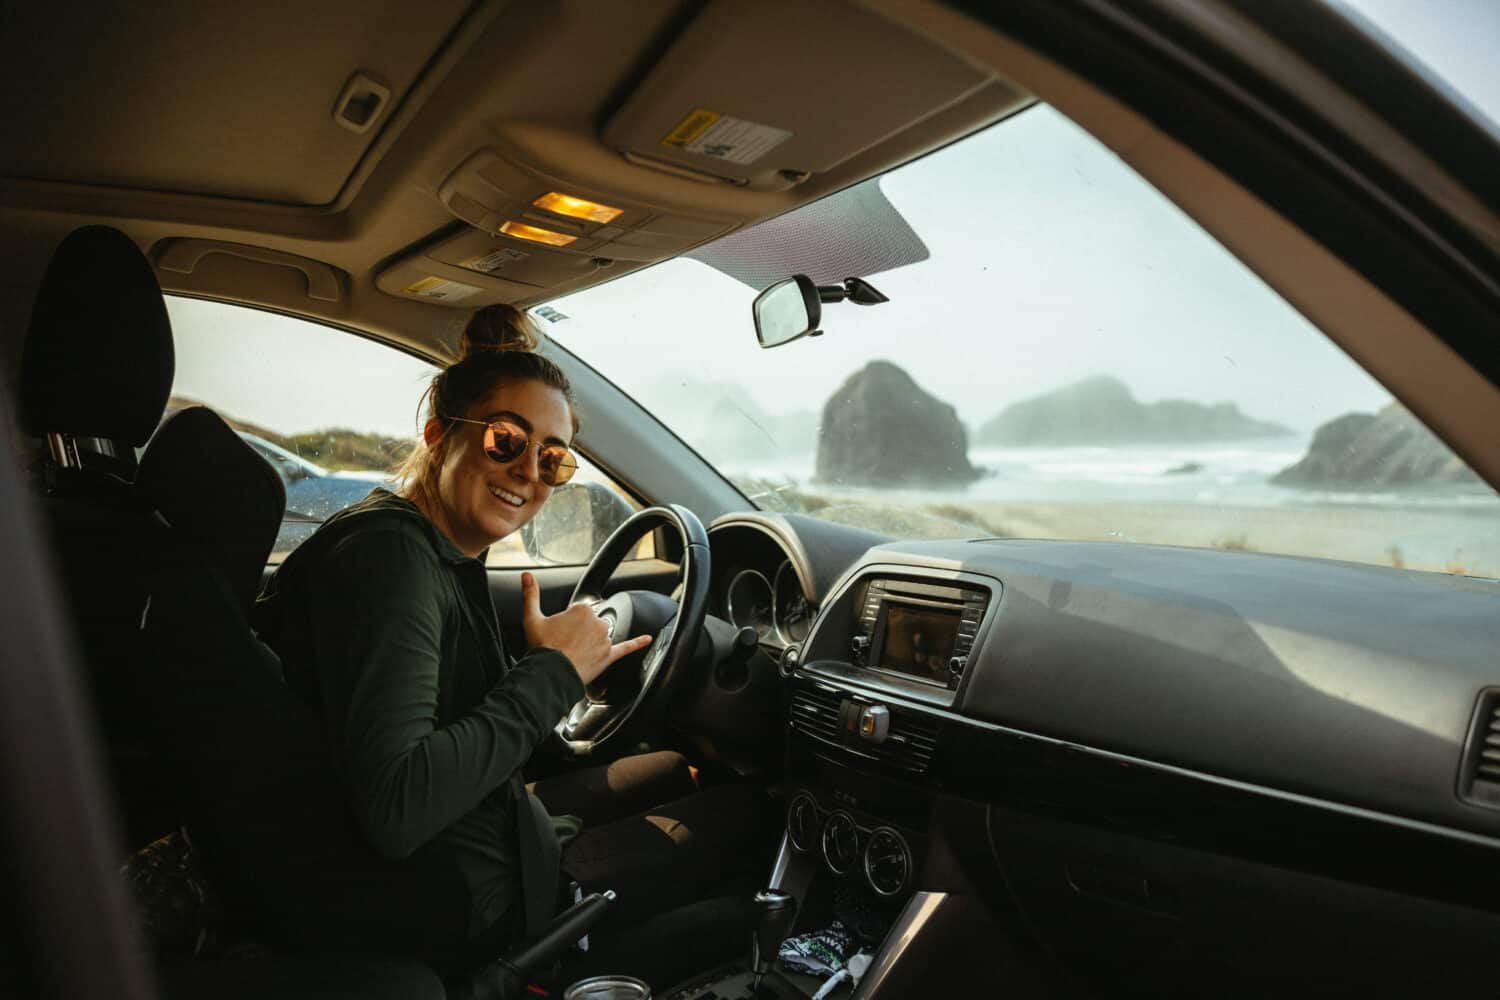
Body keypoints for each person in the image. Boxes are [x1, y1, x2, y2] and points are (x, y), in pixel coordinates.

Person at [255, 305, 774, 980]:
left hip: (472, 830)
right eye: (507, 439)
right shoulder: (390, 561)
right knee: (746, 819)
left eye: (552, 458)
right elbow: (397, 806)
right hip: (461, 895)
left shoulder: (433, 548)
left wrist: (546, 671)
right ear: (440, 434)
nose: (530, 470)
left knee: (677, 767)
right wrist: (553, 673)